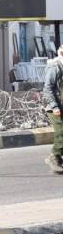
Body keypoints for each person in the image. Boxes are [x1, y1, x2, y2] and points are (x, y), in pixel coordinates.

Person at [43, 44, 63, 174]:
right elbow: (48, 88)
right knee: (61, 132)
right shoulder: (55, 66)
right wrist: (55, 106)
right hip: (53, 107)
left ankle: (58, 159)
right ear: (61, 53)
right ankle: (53, 156)